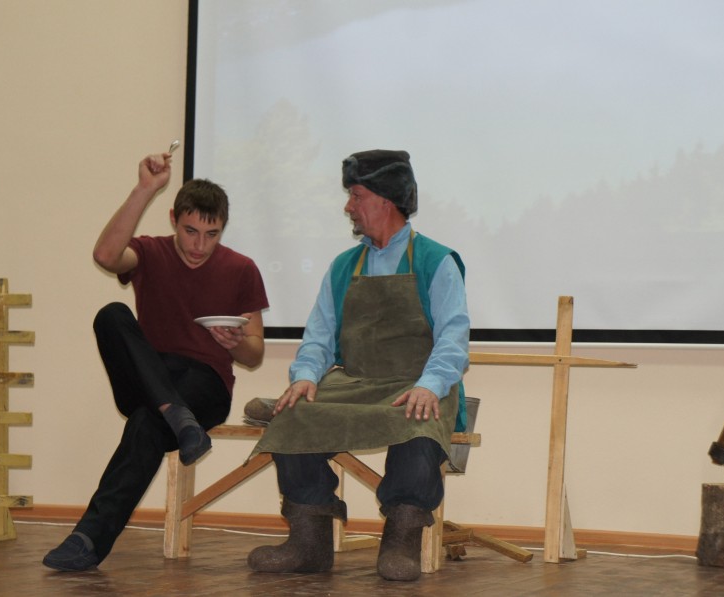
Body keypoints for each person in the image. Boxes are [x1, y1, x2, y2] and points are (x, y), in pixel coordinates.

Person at [247, 149, 469, 582]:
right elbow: (319, 337)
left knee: (419, 420)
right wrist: (305, 377)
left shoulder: (436, 260)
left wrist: (431, 384)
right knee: (291, 415)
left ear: (386, 199)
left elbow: (453, 337)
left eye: (356, 195)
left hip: (415, 383)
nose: (348, 206)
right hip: (354, 383)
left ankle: (401, 539)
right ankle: (309, 542)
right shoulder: (344, 266)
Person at [43, 150, 269, 572]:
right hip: (150, 376)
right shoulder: (149, 252)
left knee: (147, 424)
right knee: (112, 314)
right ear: (173, 219)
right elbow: (106, 256)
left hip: (204, 386)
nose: (199, 245)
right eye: (190, 231)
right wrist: (144, 188)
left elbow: (255, 353)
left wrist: (235, 343)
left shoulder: (241, 269)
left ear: (223, 229)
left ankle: (87, 540)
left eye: (212, 234)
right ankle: (174, 413)